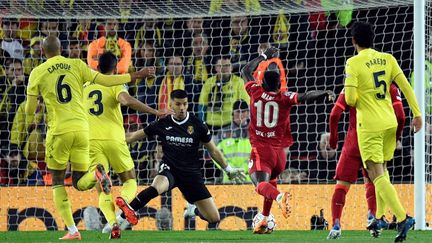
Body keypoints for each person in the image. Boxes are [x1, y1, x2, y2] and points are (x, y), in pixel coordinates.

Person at [24, 36, 153, 240]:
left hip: (63, 132)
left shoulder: (38, 73)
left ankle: (75, 229)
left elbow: (30, 111)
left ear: (42, 50)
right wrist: (135, 75)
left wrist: (31, 110)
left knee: (61, 181)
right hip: (85, 132)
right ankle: (115, 201)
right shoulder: (77, 66)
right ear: (62, 48)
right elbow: (109, 83)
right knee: (113, 180)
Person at [115, 89, 246, 226]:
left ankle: (194, 210)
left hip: (191, 175)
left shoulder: (197, 124)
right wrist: (109, 141)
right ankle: (122, 217)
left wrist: (228, 169)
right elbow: (132, 136)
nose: (182, 108)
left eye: (185, 104)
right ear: (171, 104)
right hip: (170, 170)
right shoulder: (163, 123)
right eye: (178, 104)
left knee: (214, 218)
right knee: (157, 187)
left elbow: (213, 150)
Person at [241, 47, 336, 234]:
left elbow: (245, 70)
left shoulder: (254, 91)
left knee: (259, 184)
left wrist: (263, 56)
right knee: (271, 182)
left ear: (262, 81)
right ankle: (265, 218)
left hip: (262, 149)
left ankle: (279, 198)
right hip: (280, 154)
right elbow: (306, 96)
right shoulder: (285, 97)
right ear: (279, 84)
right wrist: (325, 92)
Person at [343, 22, 422, 242]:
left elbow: (349, 99)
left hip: (370, 125)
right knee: (383, 169)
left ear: (353, 41)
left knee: (374, 172)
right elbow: (405, 85)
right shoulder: (388, 59)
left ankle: (402, 217)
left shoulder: (353, 62)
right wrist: (417, 114)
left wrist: (360, 95)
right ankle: (378, 217)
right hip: (390, 123)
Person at [83, 52, 170, 239]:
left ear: (97, 68)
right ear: (115, 69)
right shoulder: (114, 82)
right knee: (130, 180)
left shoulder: (85, 86)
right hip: (114, 139)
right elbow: (126, 100)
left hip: (90, 141)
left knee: (102, 188)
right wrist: (155, 111)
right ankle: (123, 201)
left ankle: (113, 224)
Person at [326, 84, 406, 239]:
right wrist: (395, 139)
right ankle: (373, 216)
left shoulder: (352, 86)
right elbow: (401, 117)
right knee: (375, 180)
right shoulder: (390, 86)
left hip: (352, 143)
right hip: (374, 141)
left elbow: (335, 114)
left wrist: (333, 138)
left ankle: (336, 224)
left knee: (341, 186)